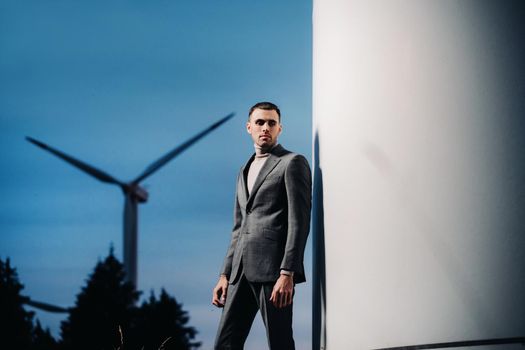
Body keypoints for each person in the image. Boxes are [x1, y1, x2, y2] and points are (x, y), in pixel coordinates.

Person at [212, 101, 312, 349]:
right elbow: (239, 227)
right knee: (224, 344)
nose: (265, 127)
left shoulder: (292, 162)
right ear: (249, 127)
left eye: (271, 123)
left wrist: (288, 273)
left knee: (279, 343)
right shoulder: (243, 170)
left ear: (280, 128)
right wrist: (225, 274)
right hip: (239, 272)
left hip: (273, 271)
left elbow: (298, 222)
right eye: (259, 122)